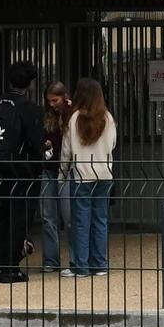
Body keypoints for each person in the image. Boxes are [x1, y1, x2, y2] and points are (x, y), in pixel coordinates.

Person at [0, 65, 45, 285]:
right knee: (19, 218)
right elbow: (37, 143)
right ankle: (10, 266)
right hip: (21, 171)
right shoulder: (30, 109)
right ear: (30, 84)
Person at [63, 77, 118, 277]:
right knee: (100, 220)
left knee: (81, 221)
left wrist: (62, 174)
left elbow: (66, 151)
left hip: (82, 176)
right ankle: (100, 264)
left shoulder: (75, 118)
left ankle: (81, 266)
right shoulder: (108, 118)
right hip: (104, 174)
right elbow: (112, 145)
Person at [38, 78, 74, 275]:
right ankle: (51, 260)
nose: (52, 105)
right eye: (49, 101)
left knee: (69, 217)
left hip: (67, 170)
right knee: (48, 216)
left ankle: (75, 260)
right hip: (49, 167)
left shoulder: (72, 114)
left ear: (64, 98)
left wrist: (69, 109)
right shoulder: (47, 116)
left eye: (55, 101)